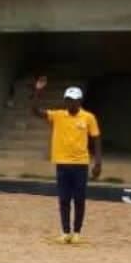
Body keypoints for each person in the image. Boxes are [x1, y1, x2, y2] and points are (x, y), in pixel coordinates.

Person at [32, 77, 103, 244]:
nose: (71, 104)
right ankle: (65, 232)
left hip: (80, 164)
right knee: (64, 199)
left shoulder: (88, 118)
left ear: (80, 101)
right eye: (68, 100)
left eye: (74, 101)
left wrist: (98, 162)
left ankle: (77, 232)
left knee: (79, 199)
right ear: (65, 101)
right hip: (62, 163)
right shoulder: (58, 116)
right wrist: (38, 91)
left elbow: (96, 138)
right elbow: (36, 111)